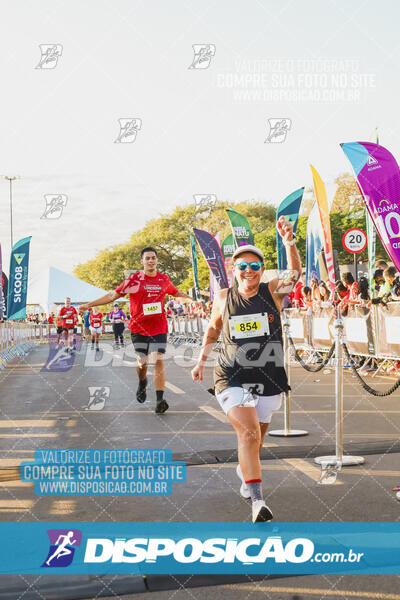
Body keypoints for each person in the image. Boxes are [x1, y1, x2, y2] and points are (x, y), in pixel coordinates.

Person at [191, 217, 301, 523]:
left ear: (262, 270)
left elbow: (295, 275)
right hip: (231, 374)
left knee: (256, 439)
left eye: (254, 266)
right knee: (249, 432)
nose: (248, 271)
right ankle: (257, 502)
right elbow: (213, 330)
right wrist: (201, 360)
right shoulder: (224, 298)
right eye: (242, 266)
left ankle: (245, 471)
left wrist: (289, 241)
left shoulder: (272, 291)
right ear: (234, 271)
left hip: (268, 374)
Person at [79, 247, 196, 414]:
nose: (150, 260)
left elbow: (177, 293)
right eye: (147, 258)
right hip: (139, 328)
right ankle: (142, 381)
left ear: (157, 260)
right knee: (142, 362)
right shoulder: (134, 280)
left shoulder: (163, 279)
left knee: (158, 360)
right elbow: (112, 296)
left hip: (159, 326)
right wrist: (89, 305)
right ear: (142, 261)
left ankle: (160, 400)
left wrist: (192, 300)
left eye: (153, 258)